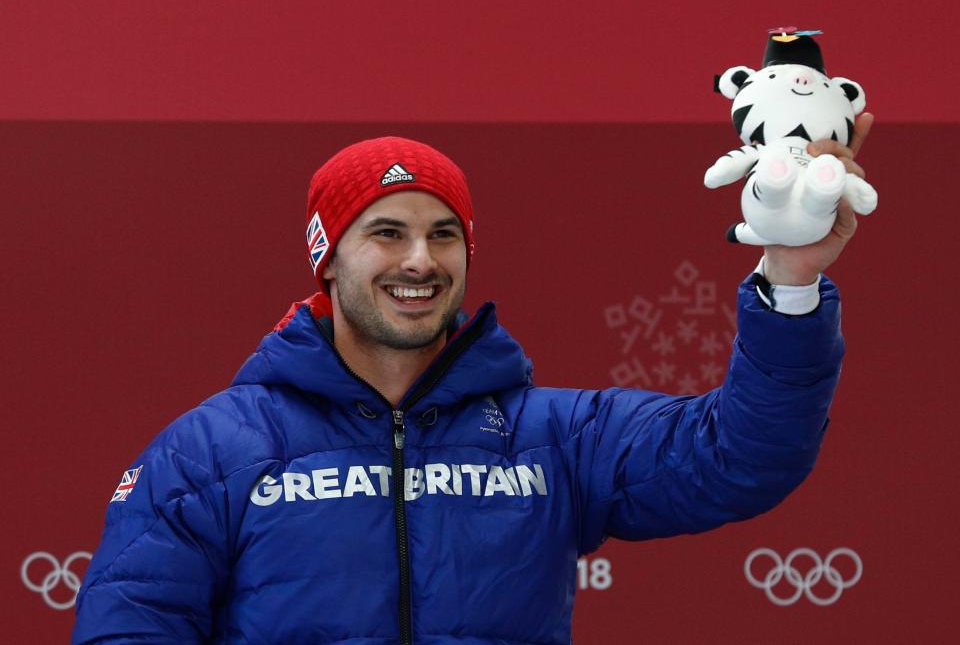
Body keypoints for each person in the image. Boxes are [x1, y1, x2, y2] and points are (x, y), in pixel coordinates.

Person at [73, 124, 872, 644]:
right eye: (387, 233)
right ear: (329, 260)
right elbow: (130, 629)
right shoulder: (213, 451)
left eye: (443, 235)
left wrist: (790, 279)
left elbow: (743, 455)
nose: (420, 261)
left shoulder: (555, 437)